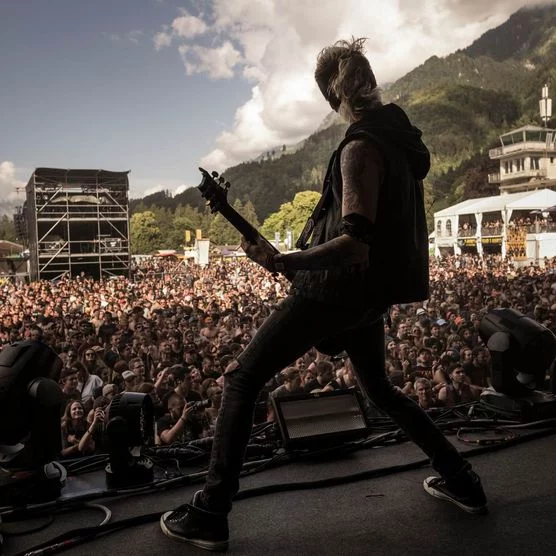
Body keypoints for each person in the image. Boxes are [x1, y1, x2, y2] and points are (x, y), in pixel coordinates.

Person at [159, 37, 487, 551]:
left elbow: (355, 244)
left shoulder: (359, 146)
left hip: (339, 292)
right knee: (379, 389)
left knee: (242, 380)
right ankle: (462, 479)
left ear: (329, 96)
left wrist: (288, 262)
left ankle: (211, 511)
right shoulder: (399, 143)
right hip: (370, 297)